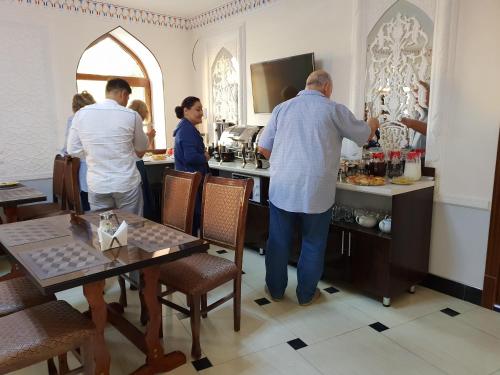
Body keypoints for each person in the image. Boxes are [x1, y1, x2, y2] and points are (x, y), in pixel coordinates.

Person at [258, 70, 378, 305]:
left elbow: (264, 148)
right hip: (316, 190)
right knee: (313, 242)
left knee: (278, 241)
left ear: (307, 86)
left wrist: (286, 163)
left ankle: (275, 291)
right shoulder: (334, 109)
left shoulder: (282, 108)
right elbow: (364, 136)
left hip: (282, 187)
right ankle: (306, 294)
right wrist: (372, 122)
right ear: (327, 88)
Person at [67, 78, 148, 215]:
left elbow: (72, 150)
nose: (126, 102)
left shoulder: (81, 114)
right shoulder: (131, 115)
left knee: (104, 229)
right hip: (126, 182)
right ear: (123, 94)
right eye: (127, 97)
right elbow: (141, 148)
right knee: (133, 227)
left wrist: (92, 154)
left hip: (98, 183)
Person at [173, 96, 210, 235]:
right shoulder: (187, 130)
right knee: (193, 218)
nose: (201, 113)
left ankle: (192, 249)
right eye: (198, 109)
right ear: (186, 111)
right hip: (192, 180)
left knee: (191, 218)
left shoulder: (185, 127)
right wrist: (204, 157)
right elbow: (190, 157)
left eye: (201, 110)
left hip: (188, 180)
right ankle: (193, 250)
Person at [62, 91, 95, 211]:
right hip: (95, 166)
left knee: (87, 200)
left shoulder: (73, 119)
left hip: (83, 166)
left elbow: (67, 148)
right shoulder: (97, 118)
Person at [128, 99, 156, 220]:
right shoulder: (136, 124)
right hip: (137, 165)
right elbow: (139, 153)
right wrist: (150, 138)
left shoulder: (127, 123)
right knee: (141, 200)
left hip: (129, 164)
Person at [401, 80, 429, 149]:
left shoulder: (434, 113)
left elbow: (433, 131)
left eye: (419, 92)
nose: (416, 98)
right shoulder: (421, 112)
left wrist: (411, 123)